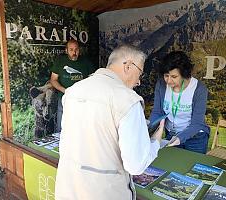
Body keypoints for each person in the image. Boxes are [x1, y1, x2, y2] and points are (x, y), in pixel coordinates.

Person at [55, 45, 165, 200]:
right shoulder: (128, 100)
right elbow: (135, 165)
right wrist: (156, 141)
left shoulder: (73, 90)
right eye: (140, 73)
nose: (139, 81)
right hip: (105, 192)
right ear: (128, 66)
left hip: (68, 189)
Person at [149, 51, 210, 154]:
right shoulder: (161, 84)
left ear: (184, 74)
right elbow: (157, 112)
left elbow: (197, 123)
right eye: (166, 75)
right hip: (171, 135)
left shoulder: (199, 89)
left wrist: (179, 139)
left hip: (195, 138)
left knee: (193, 167)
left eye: (174, 77)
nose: (168, 80)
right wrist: (149, 128)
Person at [50, 39, 96, 132]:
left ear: (79, 50)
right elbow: (53, 80)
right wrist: (65, 90)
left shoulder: (86, 62)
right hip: (64, 98)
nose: (74, 52)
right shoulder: (60, 61)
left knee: (80, 126)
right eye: (71, 50)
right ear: (66, 50)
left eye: (76, 50)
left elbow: (94, 79)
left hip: (81, 100)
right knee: (61, 126)